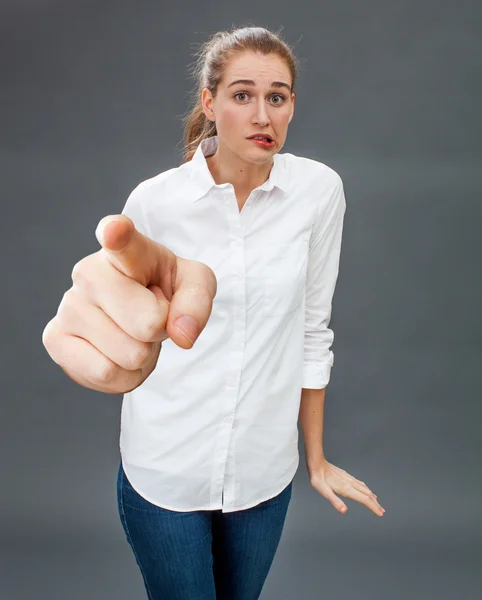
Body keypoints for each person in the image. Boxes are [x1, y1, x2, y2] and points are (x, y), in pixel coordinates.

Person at [42, 25, 385, 600]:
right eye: (242, 95)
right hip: (166, 472)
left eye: (277, 97)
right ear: (210, 102)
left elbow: (312, 329)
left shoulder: (319, 192)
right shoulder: (154, 202)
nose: (262, 116)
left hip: (264, 474)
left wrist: (316, 459)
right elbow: (122, 308)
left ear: (292, 106)